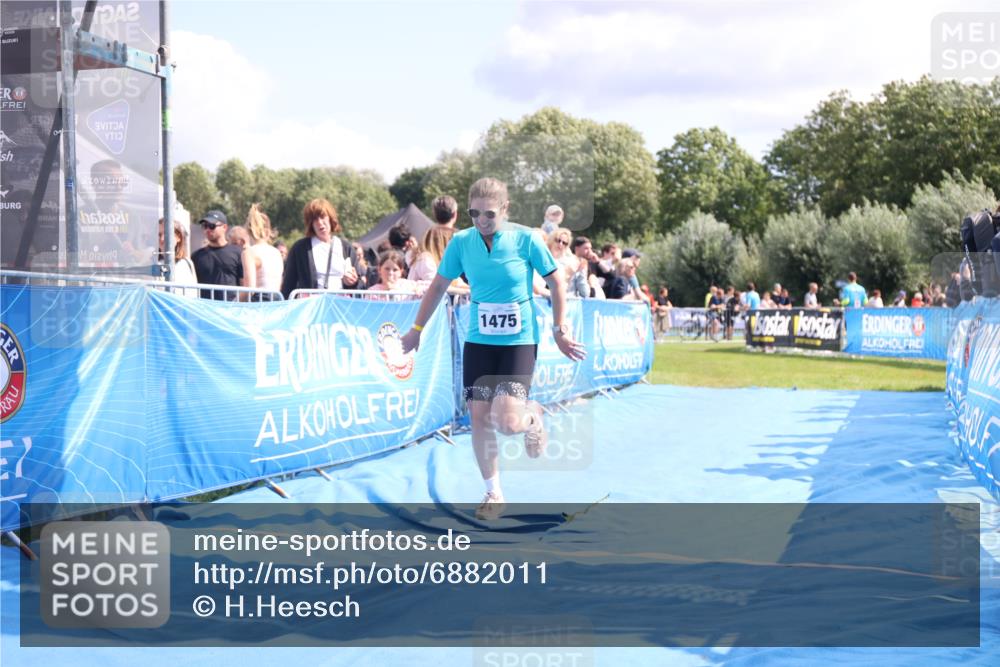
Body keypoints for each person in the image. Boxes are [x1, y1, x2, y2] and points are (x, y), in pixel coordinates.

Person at [400, 178, 585, 521]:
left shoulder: (526, 239)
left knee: (508, 422)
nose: (481, 221)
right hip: (479, 342)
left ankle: (533, 417)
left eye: (489, 214)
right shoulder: (461, 242)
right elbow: (439, 285)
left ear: (505, 210)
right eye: (474, 214)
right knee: (480, 418)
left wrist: (561, 329)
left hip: (518, 342)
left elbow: (556, 281)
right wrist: (416, 330)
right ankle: (493, 492)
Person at [280, 198, 362, 299]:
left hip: (341, 307)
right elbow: (288, 284)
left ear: (330, 218)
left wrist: (352, 282)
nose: (319, 222)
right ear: (310, 224)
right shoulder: (300, 249)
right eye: (314, 219)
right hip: (312, 308)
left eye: (323, 217)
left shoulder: (346, 247)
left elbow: (360, 287)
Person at [191, 210, 244, 300]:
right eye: (205, 226)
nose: (208, 230)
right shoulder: (196, 256)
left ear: (224, 227)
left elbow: (244, 284)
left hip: (230, 309)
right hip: (204, 310)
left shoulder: (237, 253)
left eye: (212, 226)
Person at [240, 204, 284, 301]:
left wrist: (233, 304)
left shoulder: (249, 252)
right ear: (268, 231)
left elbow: (249, 288)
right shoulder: (277, 252)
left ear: (248, 230)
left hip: (260, 303)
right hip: (277, 301)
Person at [170, 221, 198, 297]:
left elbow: (193, 293)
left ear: (178, 237)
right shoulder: (151, 261)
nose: (162, 239)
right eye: (159, 235)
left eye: (167, 235)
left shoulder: (186, 263)